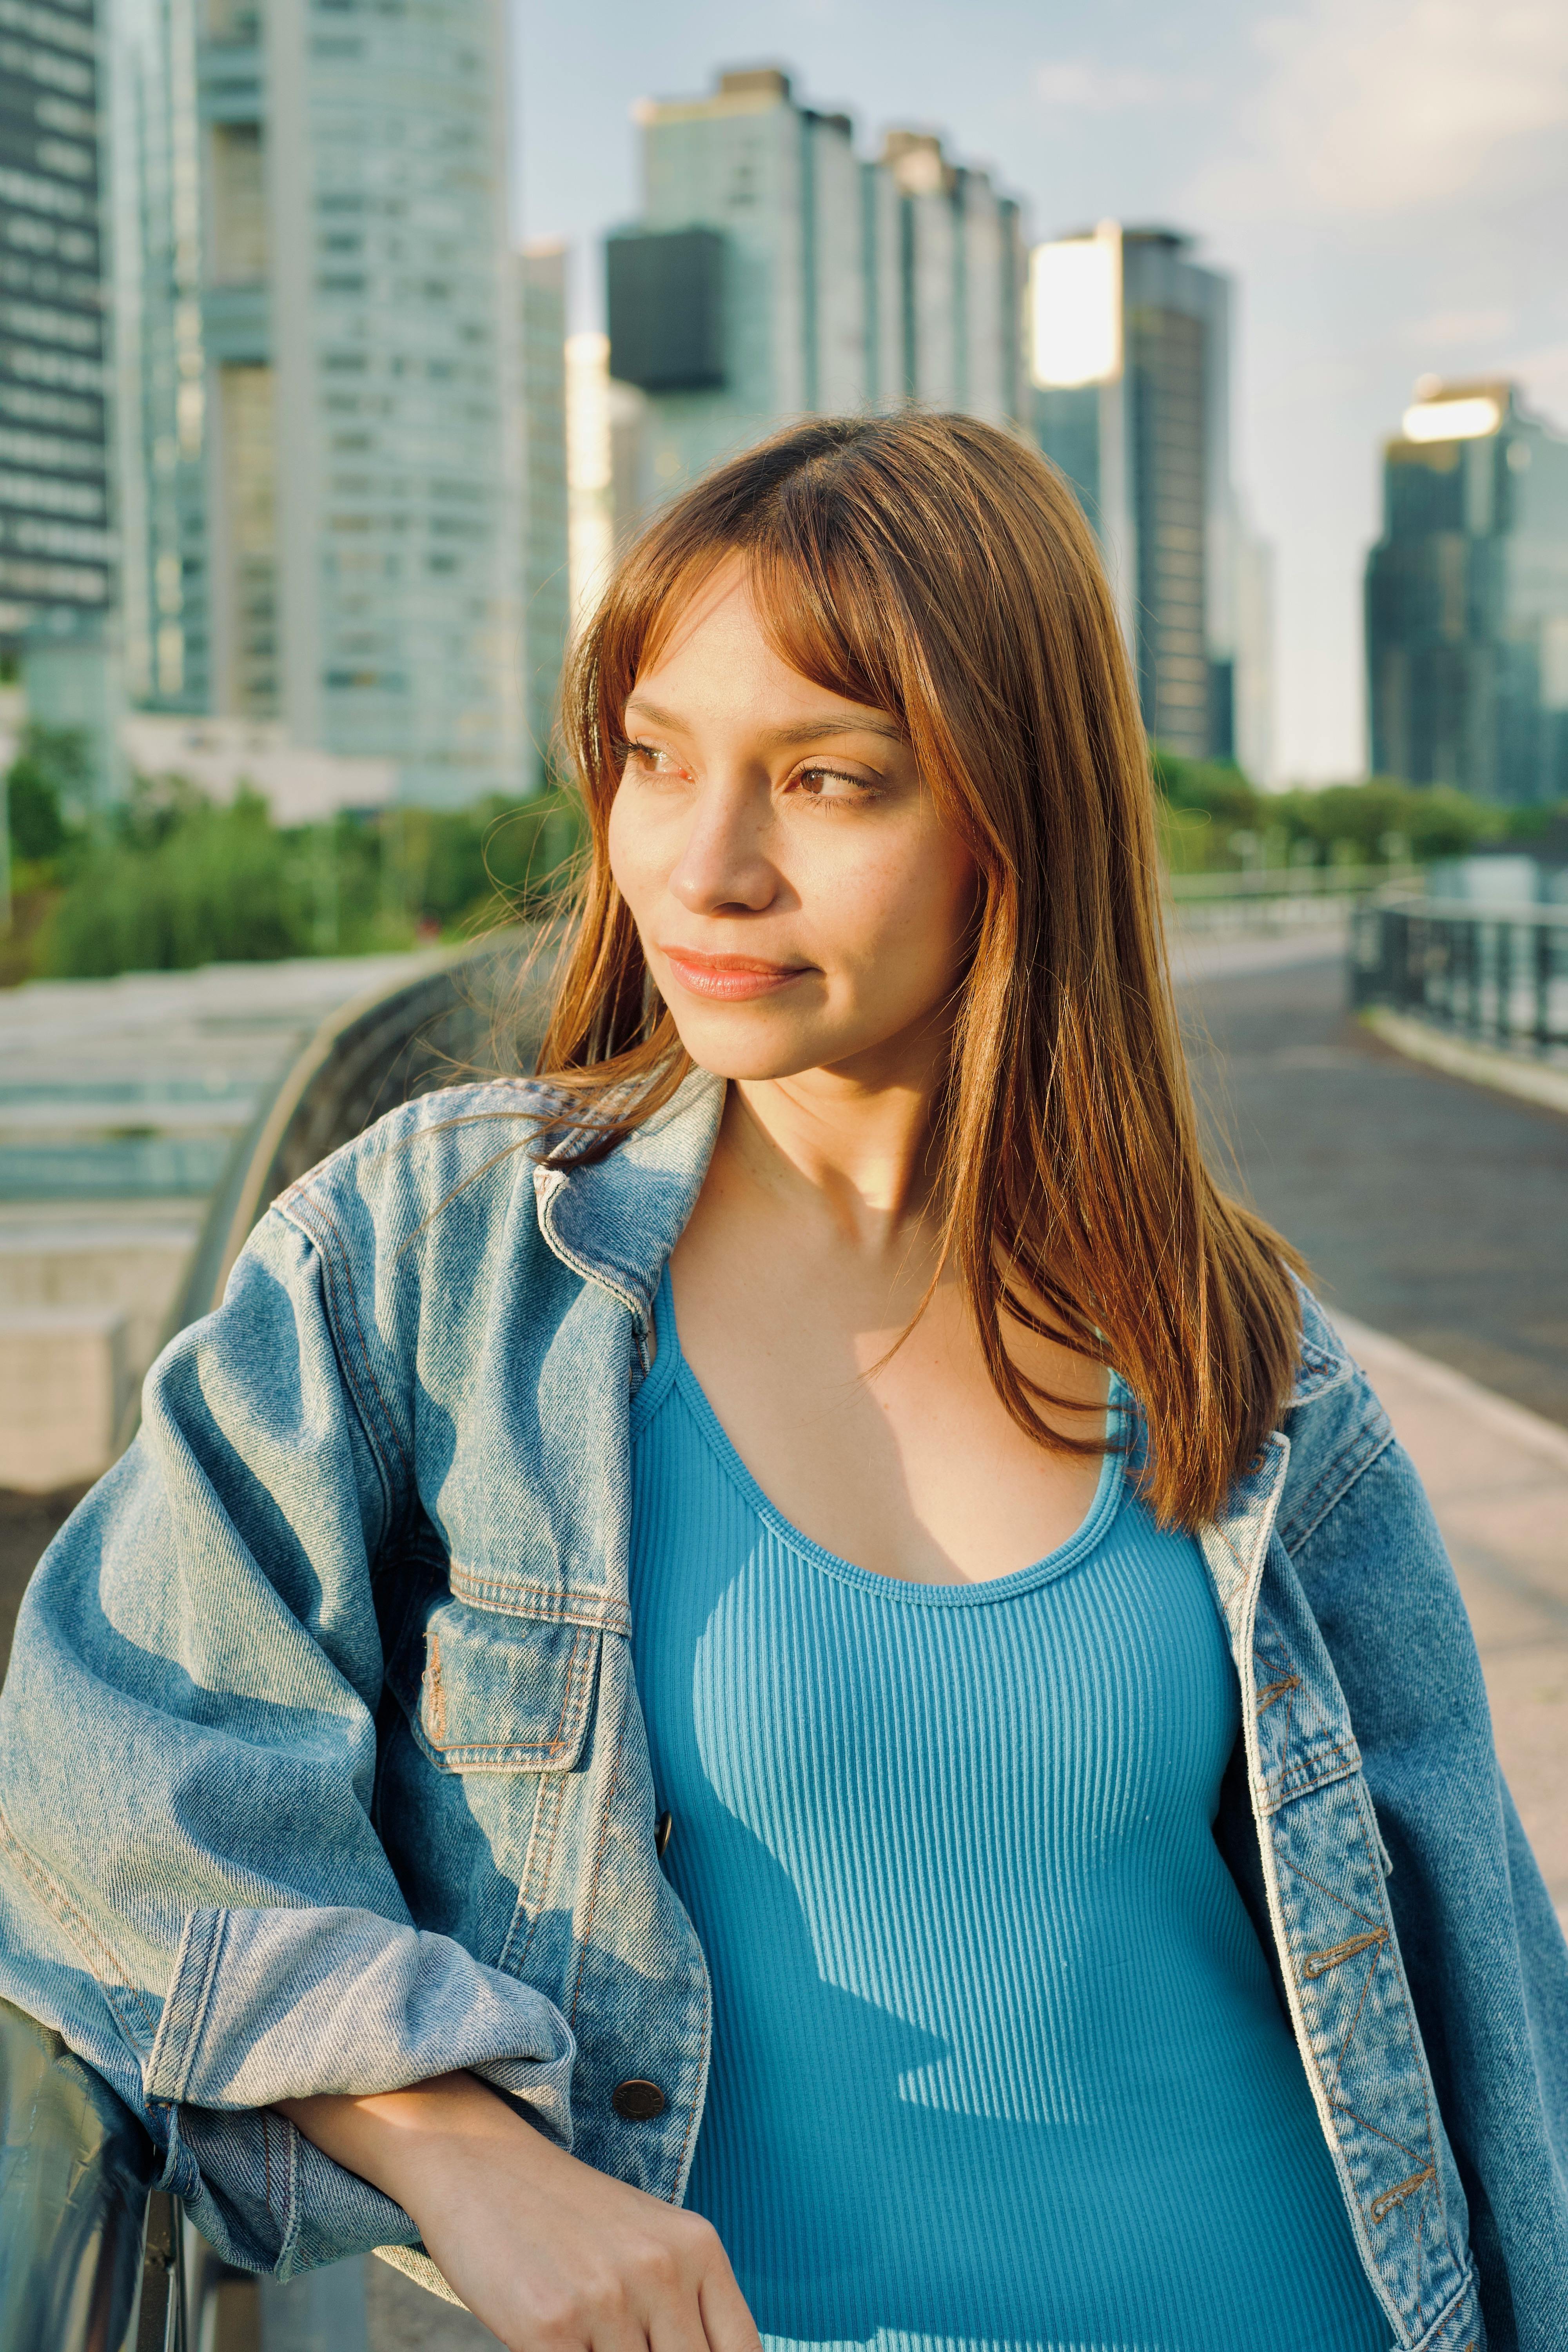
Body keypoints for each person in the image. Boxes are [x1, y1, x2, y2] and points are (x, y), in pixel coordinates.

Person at [0, 414, 1563, 2352]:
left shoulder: (1240, 1355)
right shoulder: (438, 1261)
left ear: (1016, 816)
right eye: (657, 760)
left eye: (825, 781)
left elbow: (1480, 1996)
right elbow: (98, 1767)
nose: (706, 867)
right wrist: (458, 2149)